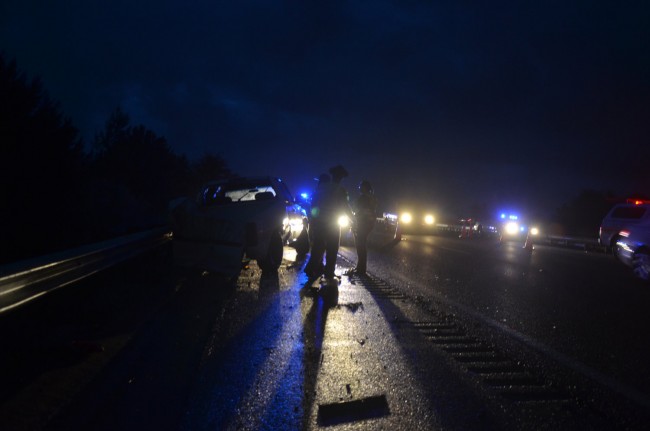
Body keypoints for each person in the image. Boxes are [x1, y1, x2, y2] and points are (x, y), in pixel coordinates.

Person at [349, 180, 378, 275]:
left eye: (361, 187)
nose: (359, 188)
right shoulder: (371, 198)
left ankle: (361, 268)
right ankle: (361, 267)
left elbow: (357, 209)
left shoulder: (363, 198)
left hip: (362, 224)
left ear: (364, 188)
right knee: (362, 245)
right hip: (368, 224)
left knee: (360, 245)